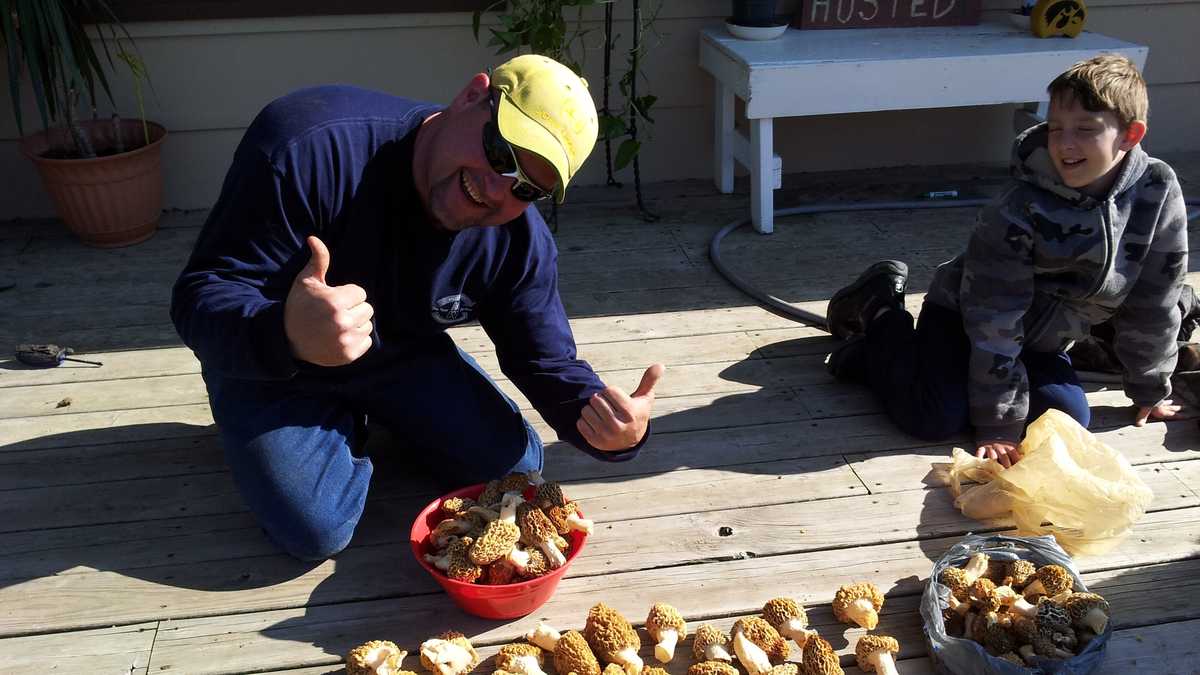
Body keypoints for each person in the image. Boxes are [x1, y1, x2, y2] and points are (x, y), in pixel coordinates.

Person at [170, 54, 664, 561]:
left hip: (397, 353)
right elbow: (200, 296)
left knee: (516, 465)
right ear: (472, 95)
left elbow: (544, 360)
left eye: (525, 188)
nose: (495, 187)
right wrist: (285, 334)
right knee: (314, 530)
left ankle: (376, 411)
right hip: (274, 362)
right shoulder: (308, 144)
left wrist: (614, 428)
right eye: (500, 151)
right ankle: (343, 420)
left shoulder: (518, 241)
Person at [824, 53, 1188, 469]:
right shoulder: (1017, 206)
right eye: (1055, 129)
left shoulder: (1158, 190)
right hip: (963, 319)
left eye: (1085, 130)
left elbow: (1156, 298)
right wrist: (998, 422)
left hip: (1045, 340)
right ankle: (881, 316)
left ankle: (946, 379)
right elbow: (993, 317)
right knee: (935, 418)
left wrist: (1149, 388)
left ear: (1130, 135)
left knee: (1066, 421)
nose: (1065, 144)